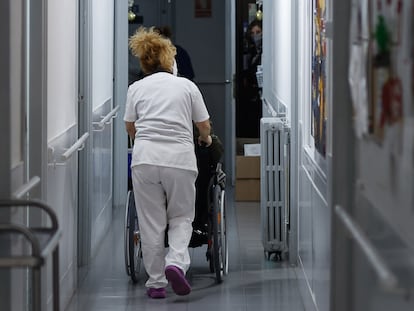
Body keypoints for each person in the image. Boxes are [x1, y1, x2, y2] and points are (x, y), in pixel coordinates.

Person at [124, 26, 212, 299]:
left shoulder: (136, 88)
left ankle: (156, 283)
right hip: (179, 159)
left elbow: (130, 126)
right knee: (182, 216)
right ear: (168, 59)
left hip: (145, 160)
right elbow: (204, 125)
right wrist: (206, 139)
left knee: (151, 222)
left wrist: (145, 139)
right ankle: (175, 262)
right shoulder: (186, 86)